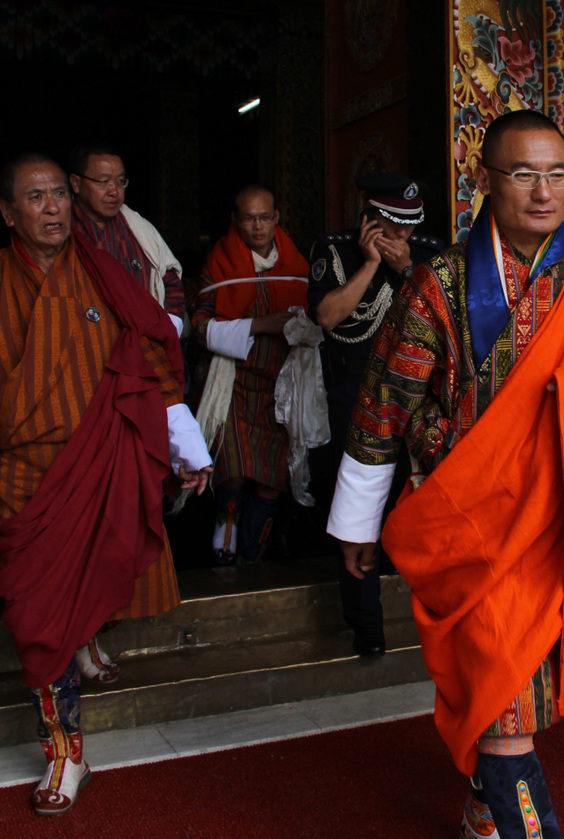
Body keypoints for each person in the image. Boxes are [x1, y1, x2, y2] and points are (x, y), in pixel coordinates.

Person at [326, 110, 564, 838]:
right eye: (524, 174)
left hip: (560, 527)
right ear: (484, 180)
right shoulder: (436, 286)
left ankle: (479, 808)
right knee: (504, 700)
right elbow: (384, 404)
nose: (543, 192)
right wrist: (356, 523)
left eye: (558, 174)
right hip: (471, 523)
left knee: (518, 699)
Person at [0, 153, 211, 816]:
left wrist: (185, 444)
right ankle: (67, 750)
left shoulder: (103, 271)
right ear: (9, 213)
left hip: (97, 464)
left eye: (60, 193)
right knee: (38, 622)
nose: (55, 207)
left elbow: (150, 354)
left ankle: (67, 754)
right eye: (37, 197)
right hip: (20, 480)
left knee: (89, 591)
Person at [307, 172, 444, 658]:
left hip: (416, 400)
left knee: (418, 506)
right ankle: (368, 632)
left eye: (409, 226)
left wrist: (409, 268)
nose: (402, 235)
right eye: (392, 225)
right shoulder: (334, 250)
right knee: (357, 515)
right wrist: (368, 265)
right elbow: (326, 318)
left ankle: (433, 622)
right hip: (354, 397)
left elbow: (450, 318)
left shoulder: (428, 253)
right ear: (367, 217)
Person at [191, 185, 309, 565]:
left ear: (276, 218)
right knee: (235, 473)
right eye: (248, 218)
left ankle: (251, 560)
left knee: (272, 479)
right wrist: (262, 323)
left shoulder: (297, 265)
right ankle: (223, 553)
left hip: (280, 386)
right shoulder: (219, 264)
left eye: (264, 217)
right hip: (233, 384)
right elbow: (199, 326)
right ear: (235, 220)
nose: (257, 226)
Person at [68, 142, 186, 336]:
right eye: (103, 181)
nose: (114, 191)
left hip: (144, 347)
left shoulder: (140, 229)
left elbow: (171, 283)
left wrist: (168, 331)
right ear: (76, 183)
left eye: (120, 181)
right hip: (82, 348)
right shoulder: (60, 231)